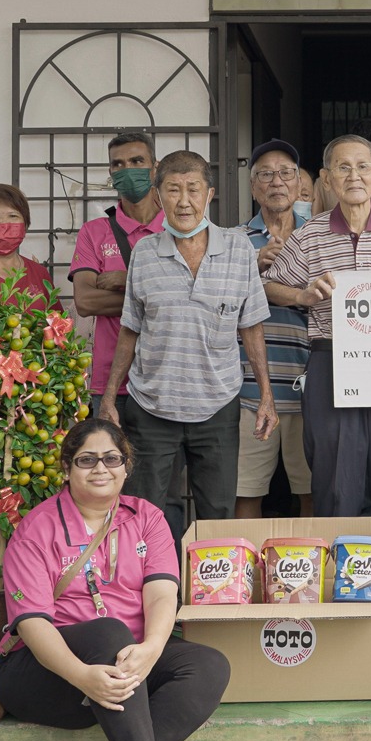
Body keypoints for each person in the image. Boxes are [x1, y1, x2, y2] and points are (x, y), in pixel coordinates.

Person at [0, 417, 227, 741]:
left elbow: (161, 594)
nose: (100, 468)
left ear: (126, 465)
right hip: (46, 676)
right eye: (86, 460)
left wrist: (153, 648)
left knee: (208, 665)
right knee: (108, 632)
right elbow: (33, 624)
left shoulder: (147, 518)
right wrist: (82, 676)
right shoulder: (36, 529)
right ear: (66, 468)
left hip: (119, 675)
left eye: (111, 458)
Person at [97, 151, 275, 536]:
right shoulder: (145, 253)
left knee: (218, 512)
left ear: (209, 194)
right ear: (159, 197)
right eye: (173, 190)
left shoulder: (238, 249)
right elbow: (130, 329)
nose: (184, 201)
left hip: (218, 405)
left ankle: (214, 594)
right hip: (152, 406)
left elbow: (252, 327)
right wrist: (111, 396)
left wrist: (266, 396)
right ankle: (157, 592)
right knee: (145, 514)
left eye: (193, 189)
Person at [263, 134, 371, 535]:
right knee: (336, 483)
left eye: (362, 167)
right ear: (326, 179)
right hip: (331, 362)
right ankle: (340, 594)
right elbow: (268, 285)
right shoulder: (310, 234)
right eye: (342, 167)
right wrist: (302, 294)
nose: (353, 175)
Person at [238, 140, 314, 519]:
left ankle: (316, 576)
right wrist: (252, 267)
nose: (276, 181)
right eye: (265, 174)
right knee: (246, 493)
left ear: (300, 184)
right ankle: (236, 578)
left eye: (286, 173)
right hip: (248, 389)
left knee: (312, 492)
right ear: (253, 187)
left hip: (309, 386)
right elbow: (216, 300)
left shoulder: (319, 237)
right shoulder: (233, 241)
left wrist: (288, 285)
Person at [69, 131, 166, 400]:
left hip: (166, 381)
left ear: (155, 168)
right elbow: (86, 302)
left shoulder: (177, 228)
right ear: (111, 171)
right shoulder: (93, 231)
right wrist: (160, 293)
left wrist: (126, 279)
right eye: (118, 164)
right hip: (110, 381)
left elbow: (190, 294)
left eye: (137, 161)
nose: (128, 170)